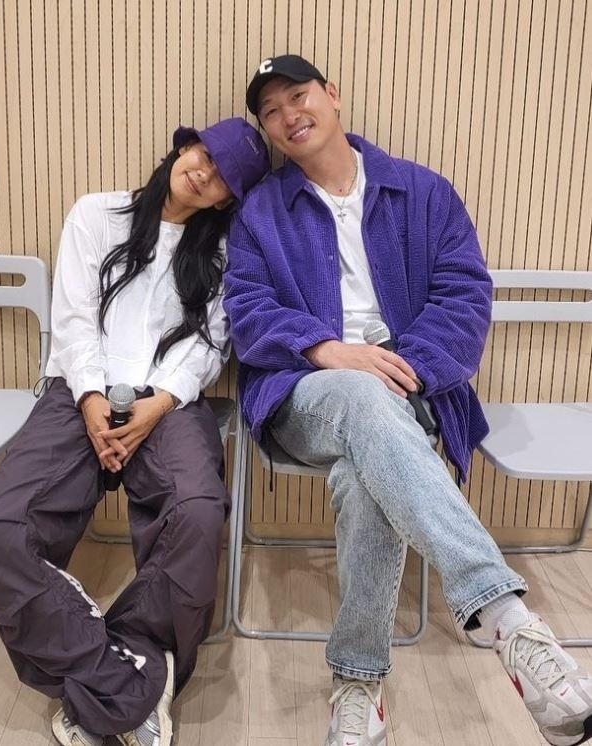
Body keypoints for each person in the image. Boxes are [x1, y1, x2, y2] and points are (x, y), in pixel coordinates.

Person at [224, 54, 592, 746]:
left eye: (297, 96)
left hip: (412, 386)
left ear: (332, 95)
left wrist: (406, 368)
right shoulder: (260, 212)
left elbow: (464, 297)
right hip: (306, 390)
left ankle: (358, 684)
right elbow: (245, 309)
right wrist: (326, 350)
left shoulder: (422, 193)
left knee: (364, 480)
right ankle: (507, 619)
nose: (288, 116)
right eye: (270, 111)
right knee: (358, 397)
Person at [0, 117, 269, 746]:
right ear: (183, 147)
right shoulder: (96, 214)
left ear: (227, 201)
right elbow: (74, 318)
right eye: (204, 154)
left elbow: (210, 343)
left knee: (198, 511)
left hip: (170, 403)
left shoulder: (223, 253)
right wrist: (90, 396)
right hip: (78, 392)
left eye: (223, 179)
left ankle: (131, 654)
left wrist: (161, 402)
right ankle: (127, 684)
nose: (205, 173)